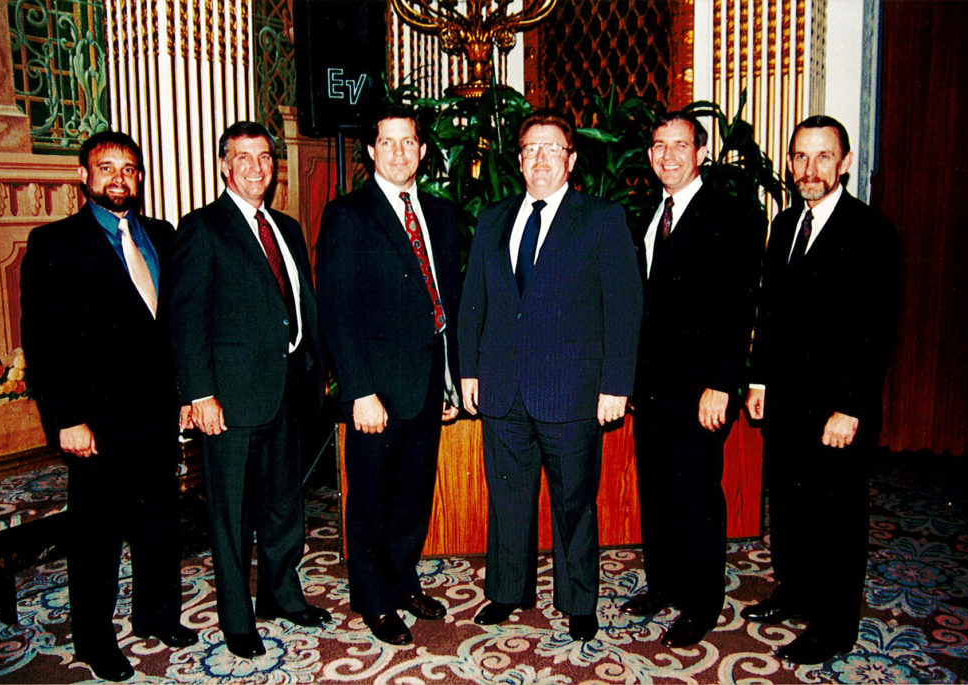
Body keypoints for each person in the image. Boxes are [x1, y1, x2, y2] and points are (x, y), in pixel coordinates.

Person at [458, 109, 642, 642]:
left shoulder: (601, 217)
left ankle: (578, 599)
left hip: (572, 388)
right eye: (531, 149)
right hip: (502, 386)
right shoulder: (494, 217)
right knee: (509, 496)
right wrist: (469, 371)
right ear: (519, 161)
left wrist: (616, 384)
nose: (541, 158)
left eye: (552, 149)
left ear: (571, 159)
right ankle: (508, 591)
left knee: (574, 501)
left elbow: (624, 307)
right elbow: (475, 303)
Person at [19, 131, 198, 681]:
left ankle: (156, 614)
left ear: (139, 178)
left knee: (160, 521)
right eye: (106, 168)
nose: (119, 178)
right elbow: (43, 342)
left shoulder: (163, 237)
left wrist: (187, 395)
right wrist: (65, 418)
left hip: (158, 413)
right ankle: (95, 640)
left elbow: (179, 326)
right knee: (95, 537)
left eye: (129, 169)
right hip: (93, 422)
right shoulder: (54, 244)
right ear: (83, 176)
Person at [167, 121, 330, 659]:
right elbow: (186, 321)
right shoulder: (202, 229)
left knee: (286, 505)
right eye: (244, 157)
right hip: (231, 400)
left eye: (265, 157)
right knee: (231, 514)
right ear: (224, 165)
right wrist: (198, 394)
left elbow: (299, 306)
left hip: (286, 392)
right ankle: (237, 619)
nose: (257, 167)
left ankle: (281, 595)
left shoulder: (285, 226)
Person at [741, 115, 899, 664]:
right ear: (789, 163)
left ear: (846, 163)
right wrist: (758, 378)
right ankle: (796, 589)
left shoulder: (871, 232)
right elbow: (771, 311)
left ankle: (834, 626)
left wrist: (850, 408)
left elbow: (876, 331)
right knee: (789, 504)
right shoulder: (784, 225)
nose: (810, 169)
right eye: (801, 157)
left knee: (837, 515)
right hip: (785, 400)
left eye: (823, 157)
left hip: (836, 408)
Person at [315, 107, 461, 646]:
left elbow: (449, 302)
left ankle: (402, 581)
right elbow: (337, 308)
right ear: (371, 152)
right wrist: (358, 389)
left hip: (426, 384)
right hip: (375, 389)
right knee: (372, 498)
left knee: (413, 495)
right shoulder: (348, 214)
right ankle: (374, 599)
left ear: (422, 152)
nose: (399, 152)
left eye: (409, 143)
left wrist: (451, 379)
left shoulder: (441, 215)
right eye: (388, 142)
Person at [621, 112, 764, 647]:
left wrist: (722, 384)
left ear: (700, 151)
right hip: (652, 387)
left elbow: (737, 307)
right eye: (659, 146)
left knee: (696, 493)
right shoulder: (646, 215)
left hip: (703, 388)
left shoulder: (731, 215)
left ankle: (702, 602)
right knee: (656, 489)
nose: (669, 156)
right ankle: (664, 585)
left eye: (680, 145)